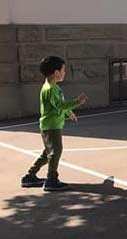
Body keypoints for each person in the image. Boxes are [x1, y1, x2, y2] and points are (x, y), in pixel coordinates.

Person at [20, 56, 87, 191]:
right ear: (56, 73)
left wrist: (70, 113)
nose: (64, 72)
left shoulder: (54, 88)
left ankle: (29, 176)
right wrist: (77, 102)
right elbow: (59, 105)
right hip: (51, 126)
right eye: (63, 70)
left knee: (47, 153)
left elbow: (61, 105)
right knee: (56, 151)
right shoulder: (49, 89)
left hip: (51, 125)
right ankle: (51, 179)